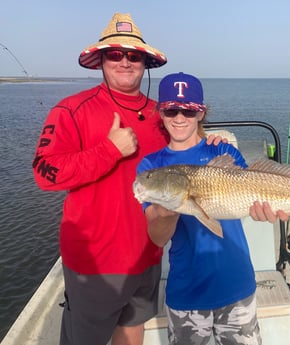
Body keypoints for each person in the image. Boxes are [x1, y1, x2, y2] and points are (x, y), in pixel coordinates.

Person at [32, 13, 171, 345]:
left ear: (145, 63)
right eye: (115, 54)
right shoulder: (71, 109)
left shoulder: (162, 115)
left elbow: (187, 156)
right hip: (96, 263)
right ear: (101, 61)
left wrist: (213, 140)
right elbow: (44, 173)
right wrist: (109, 149)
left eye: (134, 55)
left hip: (147, 256)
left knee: (131, 332)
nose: (125, 61)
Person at [136, 72, 287, 345]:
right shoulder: (151, 167)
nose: (180, 118)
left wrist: (265, 211)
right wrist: (169, 207)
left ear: (201, 113)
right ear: (161, 111)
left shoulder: (222, 152)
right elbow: (158, 238)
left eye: (189, 110)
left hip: (237, 285)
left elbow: (250, 194)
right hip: (187, 295)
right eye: (171, 110)